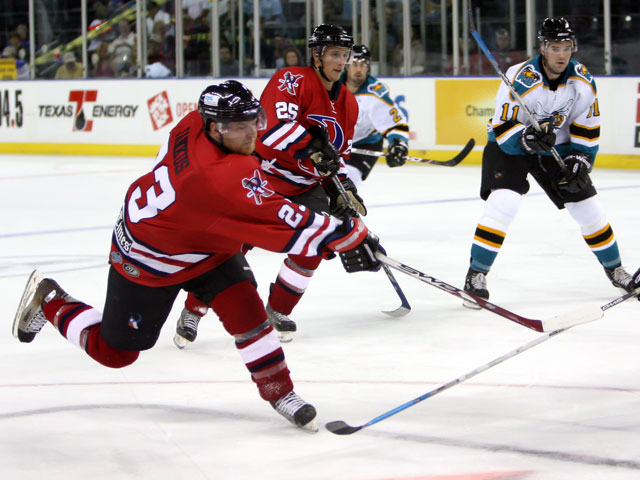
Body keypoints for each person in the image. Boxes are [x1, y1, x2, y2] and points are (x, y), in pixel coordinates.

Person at [12, 80, 382, 432]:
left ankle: (280, 392)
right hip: (150, 258)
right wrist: (350, 236)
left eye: (254, 121)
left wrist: (304, 142)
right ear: (217, 129)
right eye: (240, 127)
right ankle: (51, 301)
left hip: (204, 242)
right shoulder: (218, 179)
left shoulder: (194, 123)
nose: (252, 132)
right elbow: (287, 223)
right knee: (115, 354)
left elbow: (258, 148)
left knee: (249, 315)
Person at [173, 24, 363, 346]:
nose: (341, 62)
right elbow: (271, 128)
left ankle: (277, 309)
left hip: (305, 185)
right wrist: (311, 146)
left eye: (345, 55)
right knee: (233, 246)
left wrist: (343, 189)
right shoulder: (292, 79)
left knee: (313, 243)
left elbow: (337, 156)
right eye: (334, 54)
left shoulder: (349, 104)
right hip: (264, 176)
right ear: (316, 55)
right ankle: (194, 309)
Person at [462, 17, 635, 308]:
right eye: (555, 47)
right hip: (510, 148)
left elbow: (587, 125)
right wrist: (525, 139)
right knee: (504, 203)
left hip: (557, 147)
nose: (562, 54)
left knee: (587, 208)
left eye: (567, 46)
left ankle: (616, 269)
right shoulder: (519, 76)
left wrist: (581, 157)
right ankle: (476, 274)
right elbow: (502, 124)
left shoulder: (581, 80)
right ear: (543, 47)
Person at [341, 44, 409, 187]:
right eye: (354, 63)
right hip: (334, 144)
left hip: (365, 143)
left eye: (363, 64)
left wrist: (398, 144)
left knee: (347, 186)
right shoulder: (330, 84)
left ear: (368, 67)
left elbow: (394, 122)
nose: (358, 69)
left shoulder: (375, 93)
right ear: (346, 65)